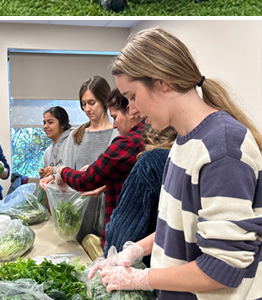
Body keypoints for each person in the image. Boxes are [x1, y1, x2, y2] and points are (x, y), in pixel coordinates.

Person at [94, 28, 262, 296]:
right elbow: (180, 228)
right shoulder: (182, 142)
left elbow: (222, 268)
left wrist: (140, 278)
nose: (132, 110)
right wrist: (137, 249)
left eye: (132, 97)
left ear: (163, 81)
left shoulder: (223, 146)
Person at [56, 88, 147, 242]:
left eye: (115, 117)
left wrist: (61, 170)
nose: (114, 125)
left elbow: (85, 180)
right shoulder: (147, 137)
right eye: (84, 104)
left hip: (124, 232)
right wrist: (106, 183)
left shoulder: (128, 142)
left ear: (130, 110)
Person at [102, 125, 177, 255]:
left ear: (150, 141)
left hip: (151, 263)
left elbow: (123, 229)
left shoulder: (150, 161)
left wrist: (113, 257)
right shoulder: (192, 156)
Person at [38, 105, 72, 179]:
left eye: (50, 122)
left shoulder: (72, 145)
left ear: (63, 124)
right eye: (44, 123)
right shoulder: (48, 151)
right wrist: (44, 174)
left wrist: (54, 170)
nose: (45, 126)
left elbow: (77, 172)